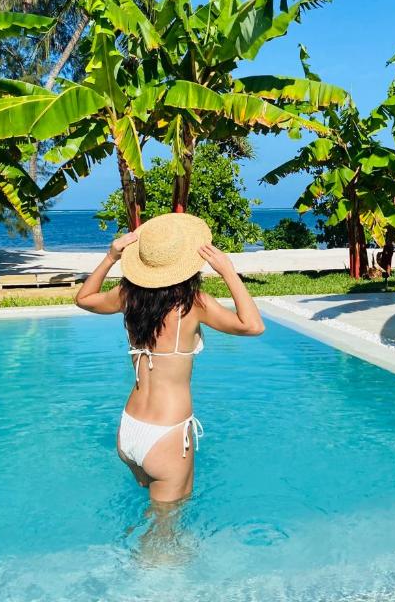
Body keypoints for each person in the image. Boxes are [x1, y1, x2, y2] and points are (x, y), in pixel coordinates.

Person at [75, 213, 264, 503]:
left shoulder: (128, 296)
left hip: (129, 429)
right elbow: (253, 325)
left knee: (144, 522)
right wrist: (228, 271)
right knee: (165, 537)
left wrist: (111, 256)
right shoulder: (193, 304)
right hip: (167, 434)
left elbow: (84, 298)